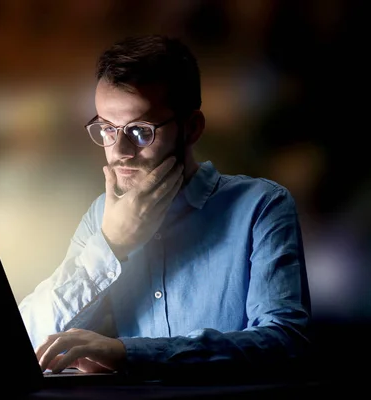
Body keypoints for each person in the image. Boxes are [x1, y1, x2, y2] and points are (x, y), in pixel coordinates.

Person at [18, 34, 313, 382]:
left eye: (140, 130)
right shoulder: (103, 218)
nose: (120, 151)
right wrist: (111, 244)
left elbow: (285, 342)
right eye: (107, 129)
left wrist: (129, 353)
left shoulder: (260, 207)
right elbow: (30, 339)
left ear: (191, 129)